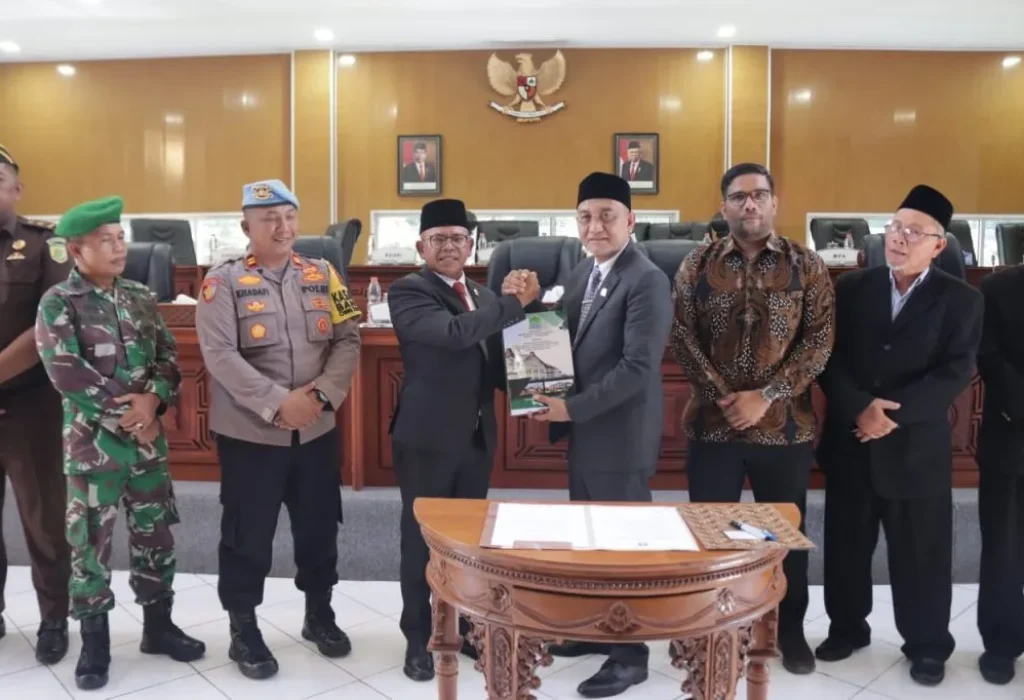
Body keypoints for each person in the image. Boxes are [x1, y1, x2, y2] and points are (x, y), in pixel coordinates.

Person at [35, 195, 205, 690]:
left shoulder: (138, 296)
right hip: (94, 449)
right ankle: (94, 643)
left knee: (156, 537)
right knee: (89, 546)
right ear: (76, 250)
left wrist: (152, 401)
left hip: (148, 446)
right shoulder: (58, 303)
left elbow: (169, 358)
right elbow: (66, 372)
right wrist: (127, 412)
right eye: (105, 240)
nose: (118, 247)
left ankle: (158, 627)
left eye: (120, 237)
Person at [670, 162, 834, 675]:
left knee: (782, 536)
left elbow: (819, 342)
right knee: (715, 535)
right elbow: (681, 337)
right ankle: (714, 628)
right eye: (739, 197)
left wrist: (766, 396)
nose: (750, 204)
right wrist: (726, 397)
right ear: (724, 207)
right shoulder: (695, 264)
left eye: (759, 195)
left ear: (774, 203)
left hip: (784, 426)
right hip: (713, 426)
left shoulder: (806, 266)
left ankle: (788, 631)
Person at [816, 185, 983, 687]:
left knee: (921, 554)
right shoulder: (851, 288)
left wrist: (890, 414)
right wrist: (859, 408)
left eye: (914, 232)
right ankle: (847, 628)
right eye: (894, 227)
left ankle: (927, 644)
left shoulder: (962, 299)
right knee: (845, 546)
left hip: (914, 450)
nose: (899, 238)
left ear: (939, 245)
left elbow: (956, 371)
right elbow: (830, 357)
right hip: (851, 442)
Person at [195, 179, 361, 680]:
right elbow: (219, 356)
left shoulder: (324, 272)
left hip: (315, 429)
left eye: (289, 216)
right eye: (269, 218)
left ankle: (319, 613)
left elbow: (348, 337)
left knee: (318, 526)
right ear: (247, 226)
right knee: (248, 534)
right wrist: (277, 404)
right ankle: (243, 627)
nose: (282, 226)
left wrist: (319, 397)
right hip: (251, 435)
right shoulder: (220, 282)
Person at [529, 172, 672, 699]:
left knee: (622, 550)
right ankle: (599, 631)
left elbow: (637, 368)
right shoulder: (583, 271)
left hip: (618, 435)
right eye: (586, 216)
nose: (596, 226)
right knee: (590, 542)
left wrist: (570, 407)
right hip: (588, 435)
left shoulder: (646, 278)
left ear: (630, 221)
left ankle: (630, 655)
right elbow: (556, 334)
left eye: (607, 215)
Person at [387, 198, 540, 682]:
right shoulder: (409, 291)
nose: (449, 246)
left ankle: (467, 625)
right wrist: (514, 304)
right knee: (422, 540)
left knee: (470, 541)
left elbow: (498, 357)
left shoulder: (481, 293)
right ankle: (418, 636)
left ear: (471, 244)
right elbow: (454, 334)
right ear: (421, 246)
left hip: (477, 436)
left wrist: (536, 378)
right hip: (428, 438)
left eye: (457, 238)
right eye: (439, 239)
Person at [0, 144, 72, 663]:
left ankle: (53, 619)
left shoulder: (46, 245)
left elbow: (49, 325)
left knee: (44, 522)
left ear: (16, 189)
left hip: (30, 406)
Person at [974, 263, 1024, 685]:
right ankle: (1001, 643)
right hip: (1011, 433)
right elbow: (987, 355)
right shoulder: (997, 287)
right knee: (1004, 546)